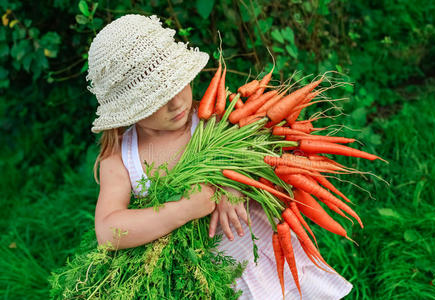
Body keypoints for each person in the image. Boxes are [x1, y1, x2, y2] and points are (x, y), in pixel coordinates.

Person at [88, 14, 352, 299]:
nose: (177, 103)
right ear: (129, 109)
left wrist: (232, 185)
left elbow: (266, 161)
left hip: (261, 258)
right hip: (203, 281)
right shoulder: (119, 158)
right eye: (158, 99)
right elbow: (108, 230)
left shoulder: (216, 119)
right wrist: (183, 210)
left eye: (179, 84)